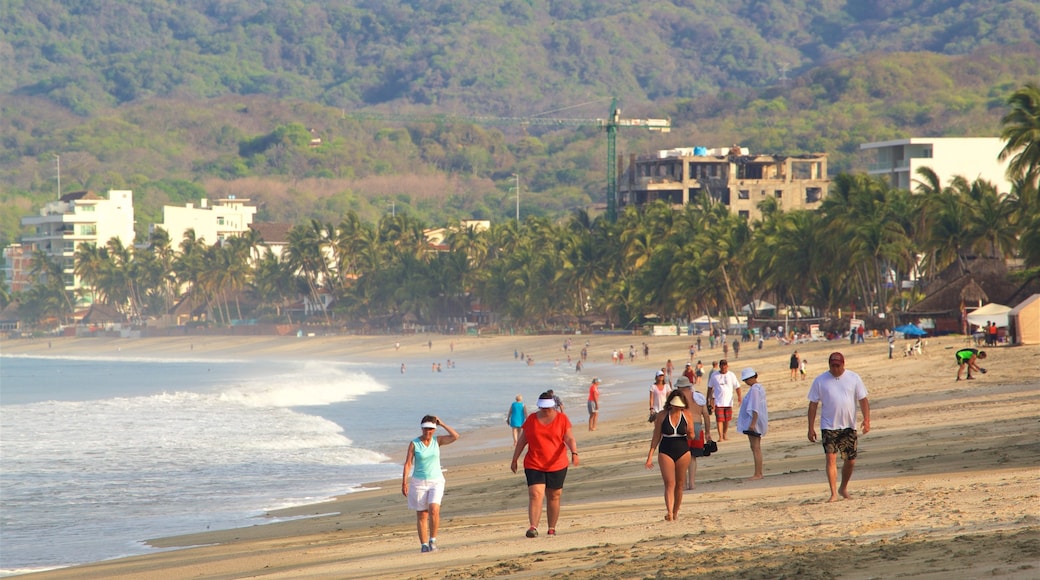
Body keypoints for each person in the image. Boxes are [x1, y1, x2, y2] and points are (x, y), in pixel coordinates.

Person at [510, 392, 579, 538]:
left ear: (553, 406)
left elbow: (569, 437)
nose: (545, 410)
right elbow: (523, 441)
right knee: (535, 494)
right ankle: (533, 527)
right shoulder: (531, 420)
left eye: (547, 408)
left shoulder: (562, 419)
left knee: (554, 495)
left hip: (557, 463)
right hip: (534, 463)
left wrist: (574, 453)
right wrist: (515, 459)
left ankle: (551, 528)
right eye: (542, 407)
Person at [807, 352, 870, 502]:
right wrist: (810, 427)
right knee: (831, 459)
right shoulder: (820, 380)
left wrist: (866, 419)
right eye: (832, 366)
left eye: (838, 365)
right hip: (828, 426)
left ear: (843, 364)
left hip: (849, 425)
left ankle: (843, 487)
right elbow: (813, 404)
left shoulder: (854, 378)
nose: (835, 369)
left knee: (850, 460)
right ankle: (834, 493)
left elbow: (863, 399)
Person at [402, 415, 460, 552]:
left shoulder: (437, 441)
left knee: (434, 509)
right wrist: (404, 482)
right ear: (421, 429)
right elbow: (408, 463)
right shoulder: (414, 443)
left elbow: (455, 436)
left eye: (430, 429)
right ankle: (423, 545)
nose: (427, 432)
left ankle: (432, 540)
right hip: (419, 482)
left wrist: (443, 424)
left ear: (434, 429)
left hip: (436, 481)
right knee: (422, 514)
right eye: (425, 429)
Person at [645, 390, 696, 521]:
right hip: (666, 450)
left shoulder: (687, 415)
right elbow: (656, 436)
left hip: (683, 450)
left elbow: (692, 435)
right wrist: (650, 456)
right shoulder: (662, 415)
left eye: (679, 405)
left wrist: (690, 433)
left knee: (680, 484)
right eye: (675, 405)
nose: (677, 407)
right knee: (669, 483)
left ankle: (675, 511)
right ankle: (669, 512)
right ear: (670, 403)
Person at [673, 375, 712, 491]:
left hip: (683, 427)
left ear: (680, 387)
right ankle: (692, 483)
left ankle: (683, 484)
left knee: (682, 457)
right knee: (693, 457)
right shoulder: (699, 397)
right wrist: (708, 432)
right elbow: (706, 414)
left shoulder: (678, 398)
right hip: (697, 427)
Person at [737, 368, 768, 481]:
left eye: (746, 380)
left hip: (754, 422)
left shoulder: (755, 389)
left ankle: (758, 473)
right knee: (756, 447)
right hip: (758, 421)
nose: (746, 382)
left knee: (755, 448)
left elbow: (754, 407)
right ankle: (758, 472)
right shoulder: (759, 388)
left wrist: (753, 423)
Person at [707, 359, 742, 441]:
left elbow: (737, 386)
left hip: (729, 401)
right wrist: (708, 399)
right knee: (719, 419)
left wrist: (739, 397)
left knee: (727, 420)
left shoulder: (731, 375)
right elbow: (709, 387)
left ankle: (725, 434)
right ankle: (720, 437)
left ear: (727, 366)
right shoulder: (714, 375)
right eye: (722, 366)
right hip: (718, 401)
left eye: (725, 366)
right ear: (719, 366)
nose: (724, 368)